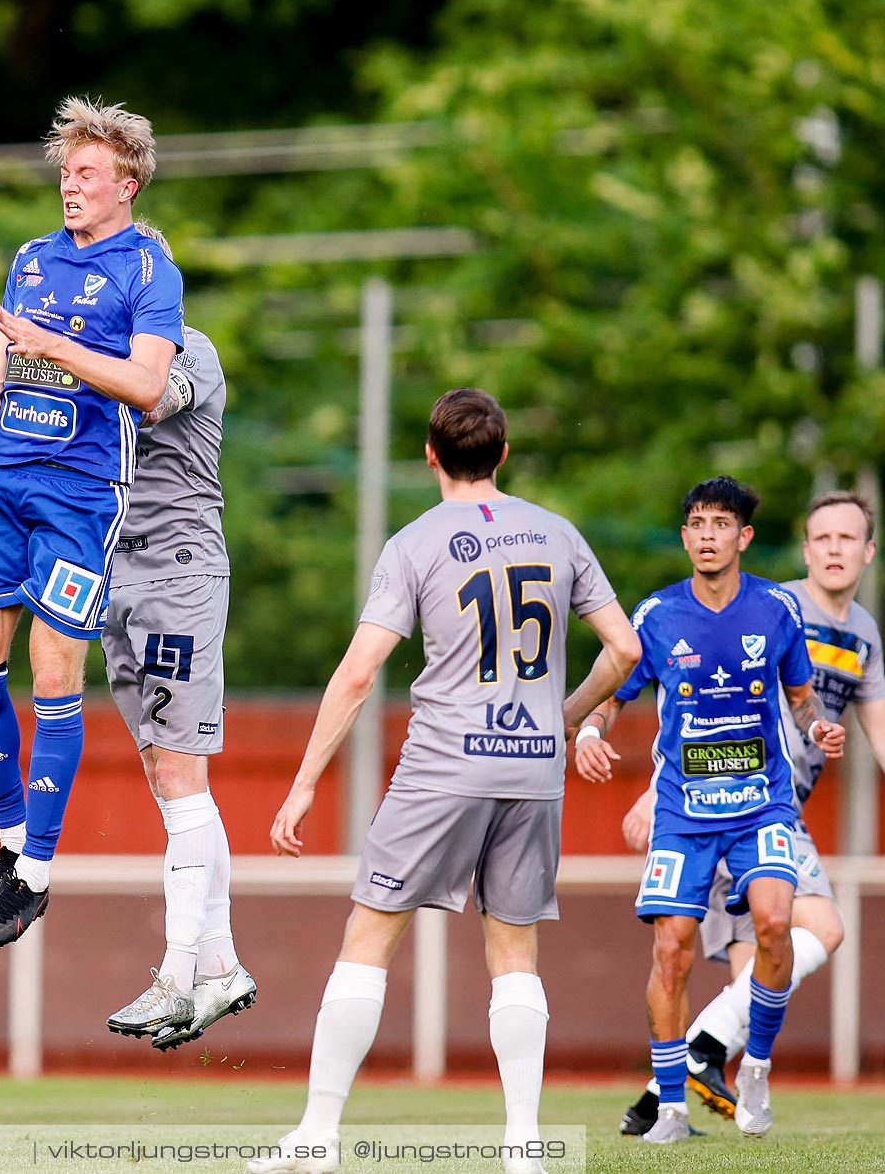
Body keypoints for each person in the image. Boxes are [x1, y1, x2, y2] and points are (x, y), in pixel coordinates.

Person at [249, 388, 639, 1174]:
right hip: (532, 769)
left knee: (368, 940)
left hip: (444, 764)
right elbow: (626, 650)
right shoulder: (558, 535)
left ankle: (317, 1139)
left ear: (430, 455)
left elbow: (359, 675)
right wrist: (563, 718)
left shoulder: (415, 543)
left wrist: (302, 784)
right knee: (515, 955)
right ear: (502, 454)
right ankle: (524, 1143)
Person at [0, 96, 184, 947]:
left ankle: (37, 867)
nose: (69, 187)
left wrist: (56, 344)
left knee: (50, 667)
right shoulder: (32, 258)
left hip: (79, 495)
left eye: (85, 175)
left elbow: (147, 387)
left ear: (128, 184)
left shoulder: (149, 271)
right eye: (64, 174)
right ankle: (7, 840)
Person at [570, 477, 844, 1143]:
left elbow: (802, 696)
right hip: (683, 814)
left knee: (777, 925)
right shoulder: (656, 617)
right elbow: (613, 695)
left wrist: (816, 729)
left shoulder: (777, 609)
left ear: (743, 537)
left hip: (761, 806)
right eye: (695, 524)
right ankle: (670, 1108)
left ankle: (756, 1068)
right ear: (686, 535)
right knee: (672, 952)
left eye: (720, 524)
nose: (706, 535)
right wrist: (588, 732)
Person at [97, 302, 256, 1050]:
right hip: (115, 574)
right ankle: (221, 963)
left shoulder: (189, 348)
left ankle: (178, 971)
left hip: (176, 572)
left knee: (183, 776)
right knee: (168, 778)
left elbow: (151, 395)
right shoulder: (91, 345)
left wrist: (64, 359)